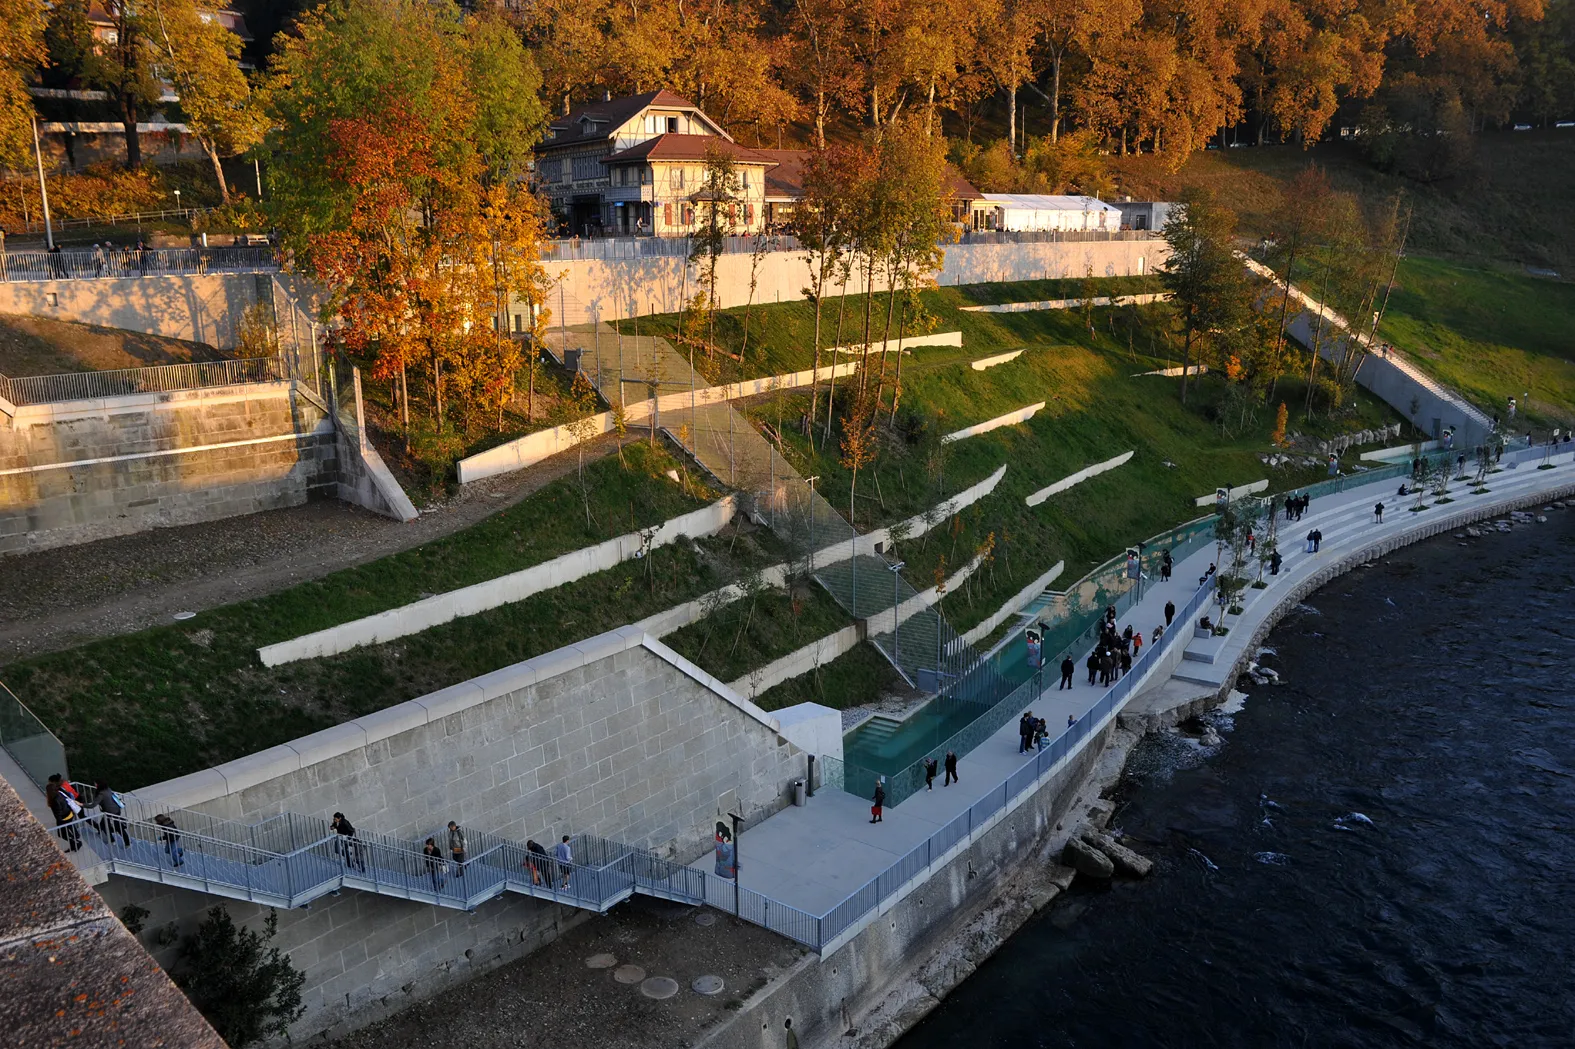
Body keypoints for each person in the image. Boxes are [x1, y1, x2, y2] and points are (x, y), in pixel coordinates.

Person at [46, 775, 83, 852]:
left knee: (61, 834)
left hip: (64, 817)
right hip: (69, 814)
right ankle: (74, 844)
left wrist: (59, 821)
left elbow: (58, 811)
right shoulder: (59, 793)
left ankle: (76, 842)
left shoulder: (55, 800)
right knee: (67, 829)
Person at [93, 780, 131, 848]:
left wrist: (81, 804)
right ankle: (119, 841)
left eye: (95, 784)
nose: (95, 785)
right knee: (108, 825)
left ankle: (121, 842)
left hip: (110, 812)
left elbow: (93, 805)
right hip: (115, 810)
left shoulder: (101, 794)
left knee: (115, 827)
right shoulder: (108, 789)